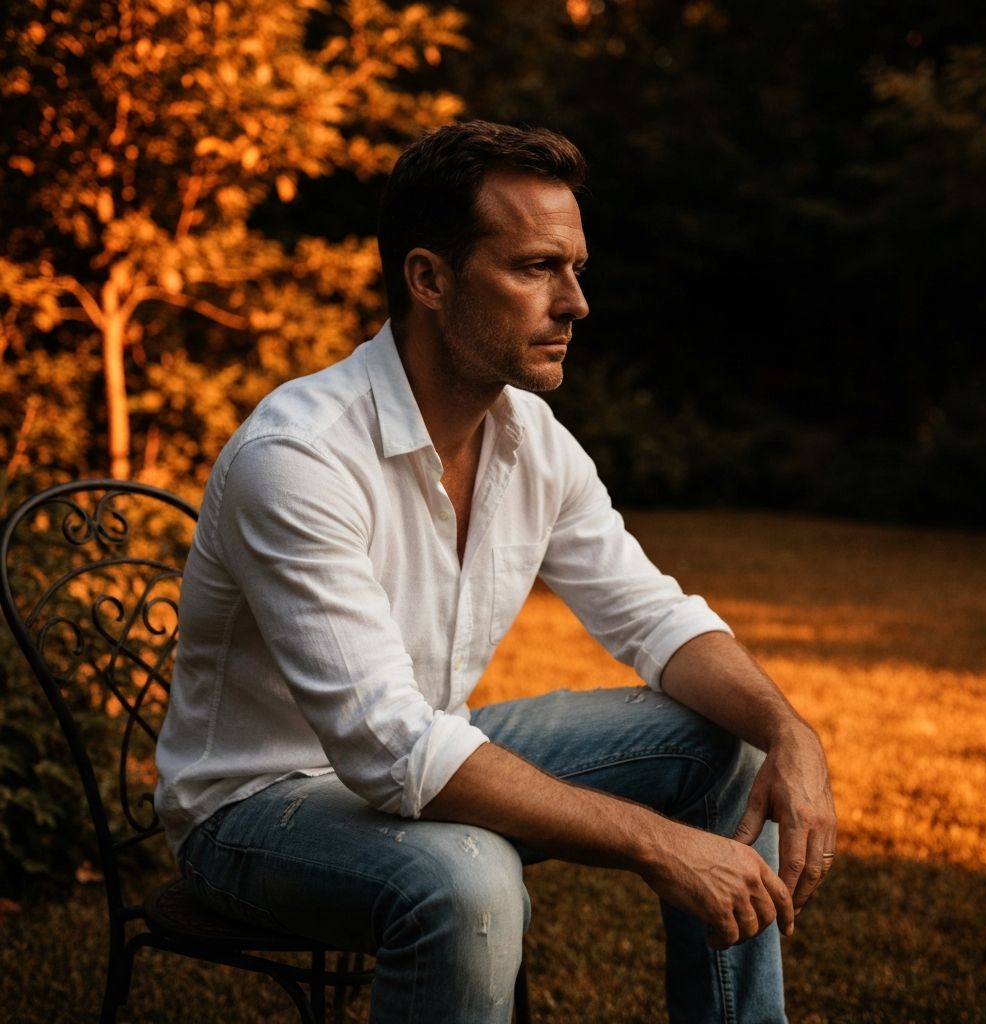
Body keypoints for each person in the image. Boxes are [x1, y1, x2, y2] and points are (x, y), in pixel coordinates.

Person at [155, 120, 836, 1023]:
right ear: (429, 279)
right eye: (535, 268)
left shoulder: (528, 437)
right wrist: (657, 845)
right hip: (255, 808)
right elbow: (388, 744)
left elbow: (654, 618)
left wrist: (791, 731)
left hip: (429, 746)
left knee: (724, 738)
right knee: (467, 882)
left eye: (576, 268)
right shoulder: (300, 455)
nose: (576, 303)